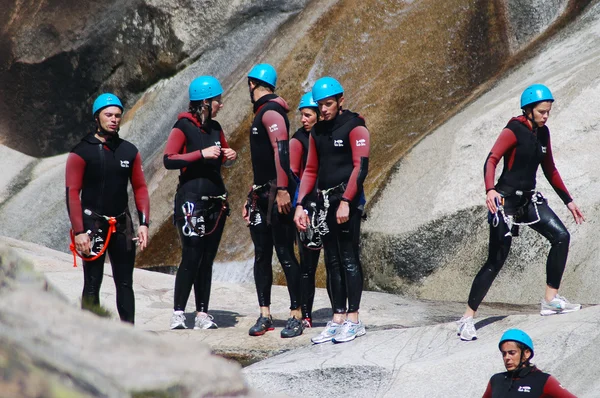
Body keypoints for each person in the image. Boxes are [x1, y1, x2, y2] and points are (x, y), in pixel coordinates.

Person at [457, 84, 585, 341]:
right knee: (496, 260)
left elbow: (550, 170)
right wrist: (490, 190)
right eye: (541, 112)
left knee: (561, 236)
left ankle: (550, 300)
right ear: (528, 110)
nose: (545, 116)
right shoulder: (513, 129)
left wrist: (568, 200)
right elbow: (491, 159)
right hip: (504, 203)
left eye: (548, 112)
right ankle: (467, 318)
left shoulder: (543, 133)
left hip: (528, 201)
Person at [294, 77, 370, 344]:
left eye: (328, 104)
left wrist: (347, 201)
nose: (324, 110)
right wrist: (300, 205)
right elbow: (311, 170)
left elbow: (360, 167)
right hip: (325, 203)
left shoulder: (355, 127)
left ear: (340, 100)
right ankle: (337, 318)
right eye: (320, 105)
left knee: (349, 259)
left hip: (347, 202)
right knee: (332, 261)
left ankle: (354, 319)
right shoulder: (316, 132)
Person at [66, 93, 150, 324]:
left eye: (117, 115)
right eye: (108, 115)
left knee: (125, 283)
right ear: (97, 117)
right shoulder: (81, 151)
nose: (114, 119)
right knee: (92, 283)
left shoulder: (129, 151)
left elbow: (140, 187)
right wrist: (79, 230)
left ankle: (128, 336)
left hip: (122, 224)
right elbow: (72, 193)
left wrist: (143, 223)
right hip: (92, 224)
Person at [163, 76, 237, 330]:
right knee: (191, 254)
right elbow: (169, 159)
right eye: (218, 100)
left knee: (207, 257)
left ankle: (203, 314)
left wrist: (230, 156)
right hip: (190, 201)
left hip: (215, 200)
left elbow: (224, 158)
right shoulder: (183, 127)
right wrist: (200, 154)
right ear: (205, 102)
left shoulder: (216, 128)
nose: (221, 105)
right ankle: (179, 312)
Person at [243, 63, 304, 338]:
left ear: (252, 85)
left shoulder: (271, 112)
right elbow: (263, 161)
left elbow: (282, 151)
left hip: (275, 195)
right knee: (261, 256)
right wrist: (251, 194)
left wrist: (281, 190)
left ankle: (297, 315)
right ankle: (265, 314)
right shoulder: (263, 112)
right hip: (261, 195)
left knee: (285, 254)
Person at [290, 92, 324, 328]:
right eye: (302, 115)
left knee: (335, 262)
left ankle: (341, 314)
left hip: (327, 203)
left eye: (307, 115)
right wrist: (298, 206)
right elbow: (294, 175)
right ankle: (306, 314)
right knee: (308, 265)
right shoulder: (299, 140)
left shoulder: (327, 136)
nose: (303, 119)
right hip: (308, 205)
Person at [482, 329, 577, 397]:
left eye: (512, 353)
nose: (507, 357)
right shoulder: (496, 380)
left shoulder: (543, 380)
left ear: (526, 353)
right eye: (504, 353)